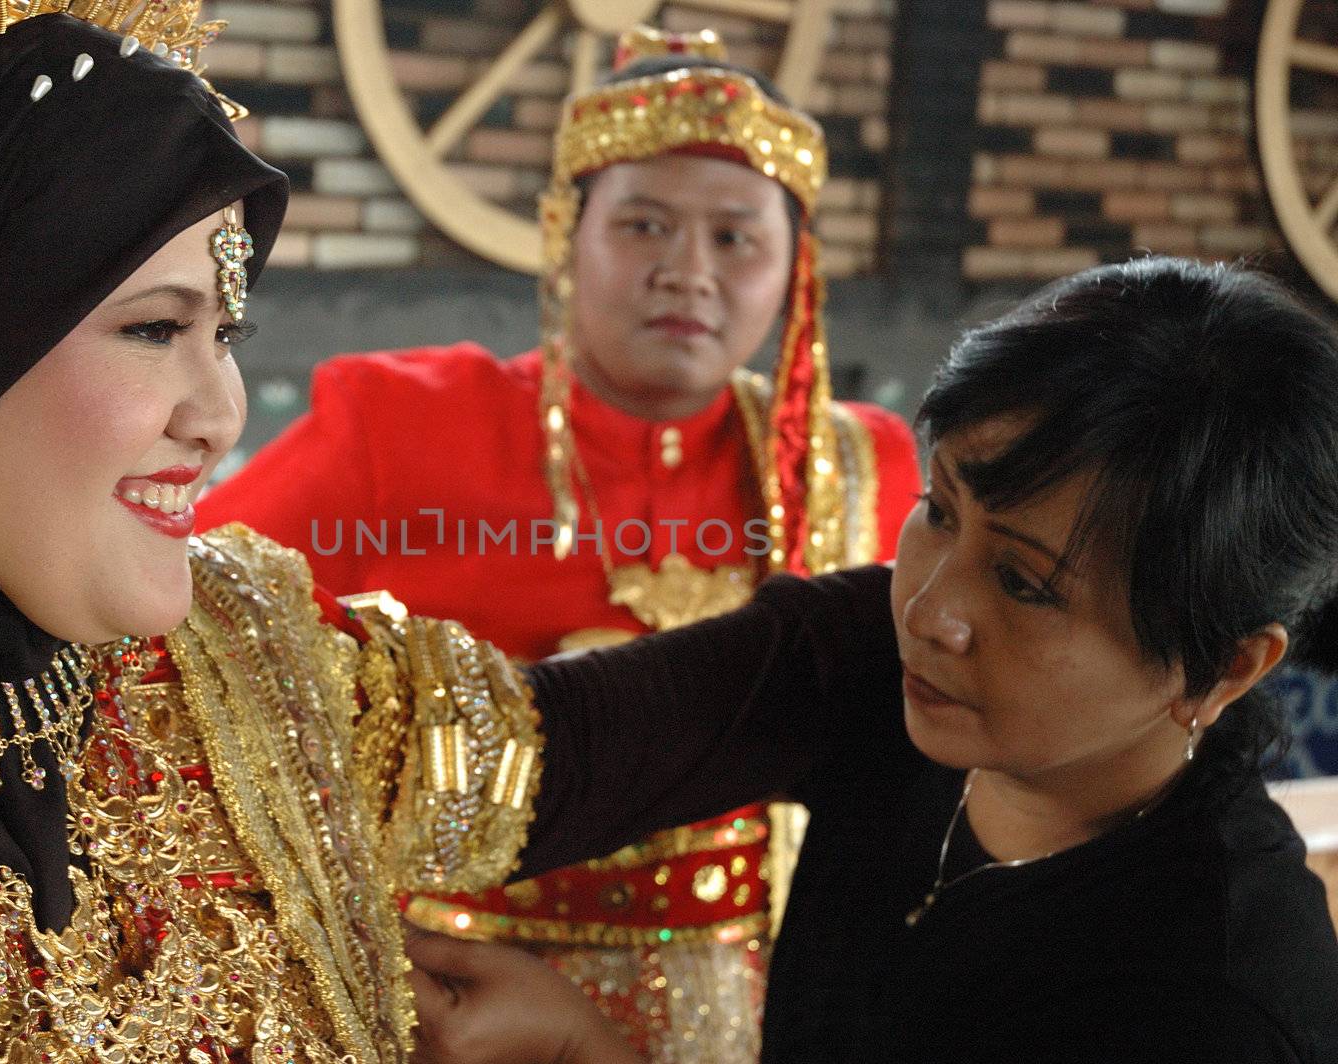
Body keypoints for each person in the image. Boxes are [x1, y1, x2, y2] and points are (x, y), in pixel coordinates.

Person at [0, 4, 540, 1062]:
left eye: (226, 333)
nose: (219, 413)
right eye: (153, 329)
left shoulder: (224, 654)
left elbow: (650, 722)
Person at [405, 258, 1338, 1063]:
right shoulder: (876, 661)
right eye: (939, 510)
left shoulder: (1212, 1004)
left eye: (1024, 584)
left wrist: (578, 1046)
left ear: (1223, 671)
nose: (929, 609)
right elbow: (548, 746)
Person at [197, 28, 919, 1061]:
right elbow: (195, 621)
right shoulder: (403, 426)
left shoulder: (862, 471)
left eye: (735, 237)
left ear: (797, 269)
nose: (688, 271)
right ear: (563, 236)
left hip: (754, 1006)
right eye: (644, 224)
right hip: (447, 995)